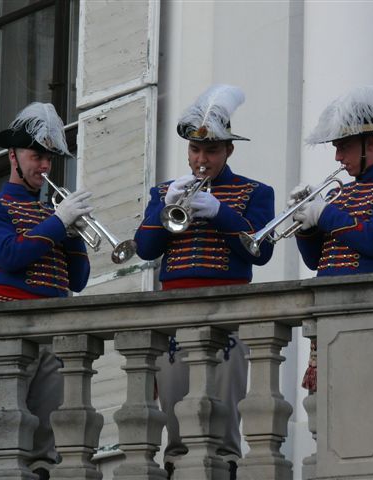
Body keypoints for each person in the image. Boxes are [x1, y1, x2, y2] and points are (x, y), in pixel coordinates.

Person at [134, 84, 275, 479]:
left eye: (210, 150)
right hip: (174, 313)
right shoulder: (163, 192)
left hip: (228, 311)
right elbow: (146, 249)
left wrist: (219, 212)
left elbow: (260, 253)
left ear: (228, 150)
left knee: (222, 415)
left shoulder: (254, 193)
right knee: (178, 416)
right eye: (195, 151)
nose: (201, 159)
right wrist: (164, 208)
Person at [0, 102, 93, 478]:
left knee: (44, 442)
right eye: (36, 156)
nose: (43, 166)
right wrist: (59, 223)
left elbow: (78, 280)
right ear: (13, 156)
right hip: (12, 324)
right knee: (2, 431)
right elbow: (9, 255)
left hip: (53, 331)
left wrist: (74, 235)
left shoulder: (54, 215)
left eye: (48, 159)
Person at [293, 85, 373, 392]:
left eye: (344, 147)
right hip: (326, 308)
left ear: (370, 142)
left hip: (371, 309)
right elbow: (316, 259)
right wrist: (305, 225)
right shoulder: (339, 194)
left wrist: (323, 215)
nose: (338, 157)